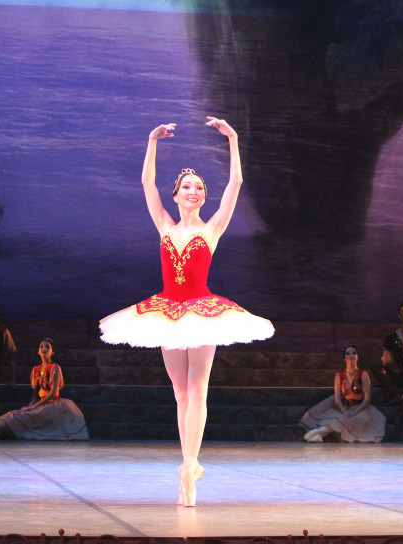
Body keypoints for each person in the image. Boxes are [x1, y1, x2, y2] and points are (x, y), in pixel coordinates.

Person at [99, 117, 274, 507]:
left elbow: (236, 183)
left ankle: (190, 466)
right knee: (181, 393)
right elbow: (147, 183)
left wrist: (233, 138)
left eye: (199, 188)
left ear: (202, 198)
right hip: (166, 313)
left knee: (198, 389)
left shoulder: (212, 229)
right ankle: (187, 467)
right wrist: (152, 141)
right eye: (187, 187)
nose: (193, 191)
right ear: (176, 195)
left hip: (202, 313)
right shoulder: (164, 225)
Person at [0, 338, 89, 441]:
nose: (44, 349)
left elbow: (53, 393)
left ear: (52, 352)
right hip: (41, 404)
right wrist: (29, 407)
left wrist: (33, 407)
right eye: (41, 347)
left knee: (29, 418)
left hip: (54, 406)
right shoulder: (36, 370)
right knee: (21, 414)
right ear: (38, 351)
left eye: (47, 347)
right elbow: (35, 396)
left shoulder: (55, 368)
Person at [300, 344, 386, 443]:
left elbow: (367, 399)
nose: (351, 356)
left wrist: (355, 412)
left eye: (354, 353)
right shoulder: (339, 375)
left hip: (360, 409)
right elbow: (337, 399)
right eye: (348, 354)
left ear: (357, 357)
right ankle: (318, 435)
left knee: (353, 419)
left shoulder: (363, 375)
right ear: (344, 358)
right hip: (345, 407)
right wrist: (343, 411)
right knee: (338, 417)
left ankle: (316, 432)